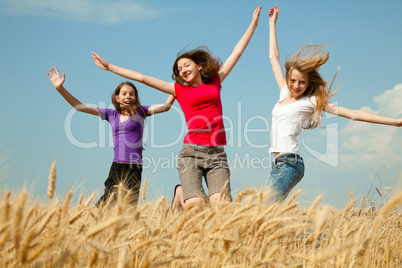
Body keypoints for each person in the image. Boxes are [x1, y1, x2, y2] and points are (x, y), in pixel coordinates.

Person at [92, 6, 262, 213]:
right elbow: (143, 78)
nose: (182, 70)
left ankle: (185, 197)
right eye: (179, 69)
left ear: (199, 66)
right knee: (196, 207)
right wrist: (110, 67)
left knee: (222, 206)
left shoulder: (215, 81)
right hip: (191, 153)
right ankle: (181, 194)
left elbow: (237, 52)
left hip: (217, 154)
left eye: (186, 65)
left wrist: (253, 24)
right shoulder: (179, 89)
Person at [267, 5, 402, 202]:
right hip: (278, 163)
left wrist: (395, 122)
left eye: (302, 82)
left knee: (265, 210)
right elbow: (273, 58)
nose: (296, 86)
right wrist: (272, 23)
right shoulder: (284, 92)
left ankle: (319, 235)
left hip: (290, 163)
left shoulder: (312, 101)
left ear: (309, 84)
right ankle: (316, 234)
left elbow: (352, 114)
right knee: (269, 215)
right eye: (293, 80)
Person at [47, 67, 175, 207]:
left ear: (135, 98)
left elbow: (166, 107)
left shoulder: (141, 112)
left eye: (132, 94)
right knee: (106, 203)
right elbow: (80, 107)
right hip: (117, 166)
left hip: (134, 167)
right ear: (117, 98)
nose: (128, 96)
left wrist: (176, 90)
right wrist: (60, 89)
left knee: (129, 206)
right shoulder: (111, 114)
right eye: (124, 93)